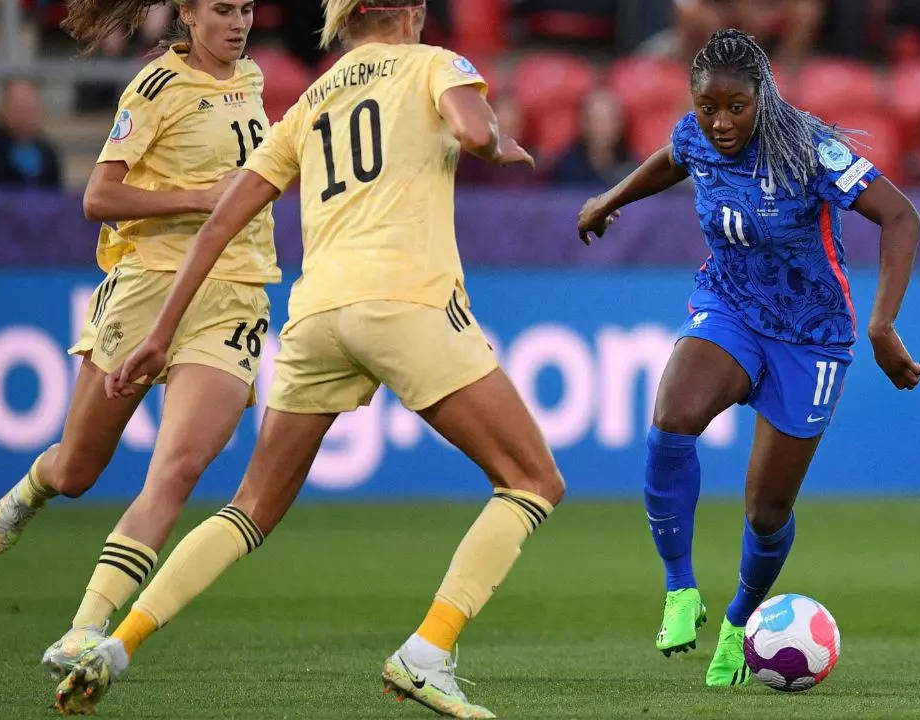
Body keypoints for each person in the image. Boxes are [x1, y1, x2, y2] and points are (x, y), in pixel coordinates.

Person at [55, 2, 562, 718]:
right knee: (532, 479)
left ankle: (118, 642)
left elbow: (219, 223)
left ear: (346, 22)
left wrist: (161, 333)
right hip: (405, 302)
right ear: (414, 12)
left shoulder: (307, 103)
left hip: (317, 316)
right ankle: (427, 652)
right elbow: (475, 130)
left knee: (251, 507)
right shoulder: (435, 64)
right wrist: (497, 144)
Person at [577, 28, 920, 686]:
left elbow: (901, 216)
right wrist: (608, 199)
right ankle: (681, 589)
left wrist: (882, 325)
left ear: (762, 98)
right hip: (731, 306)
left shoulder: (809, 150)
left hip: (811, 334)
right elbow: (672, 159)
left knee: (766, 512)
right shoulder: (694, 134)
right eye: (708, 106)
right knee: (672, 417)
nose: (720, 121)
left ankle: (739, 622)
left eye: (736, 107)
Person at [0, 0, 280, 681]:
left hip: (232, 299)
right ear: (190, 14)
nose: (238, 23)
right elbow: (98, 198)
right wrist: (202, 198)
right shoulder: (155, 87)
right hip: (146, 288)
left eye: (247, 9)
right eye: (223, 10)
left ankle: (85, 630)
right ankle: (36, 482)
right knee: (80, 470)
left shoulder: (254, 80)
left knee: (177, 470)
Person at [0, 77, 63, 188]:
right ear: (2, 109)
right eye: (18, 107)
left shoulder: (49, 153)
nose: (24, 115)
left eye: (30, 106)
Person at [551, 89, 635, 187]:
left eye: (609, 120)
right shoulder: (564, 168)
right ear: (583, 123)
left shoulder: (633, 167)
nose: (603, 128)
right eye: (596, 120)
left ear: (620, 123)